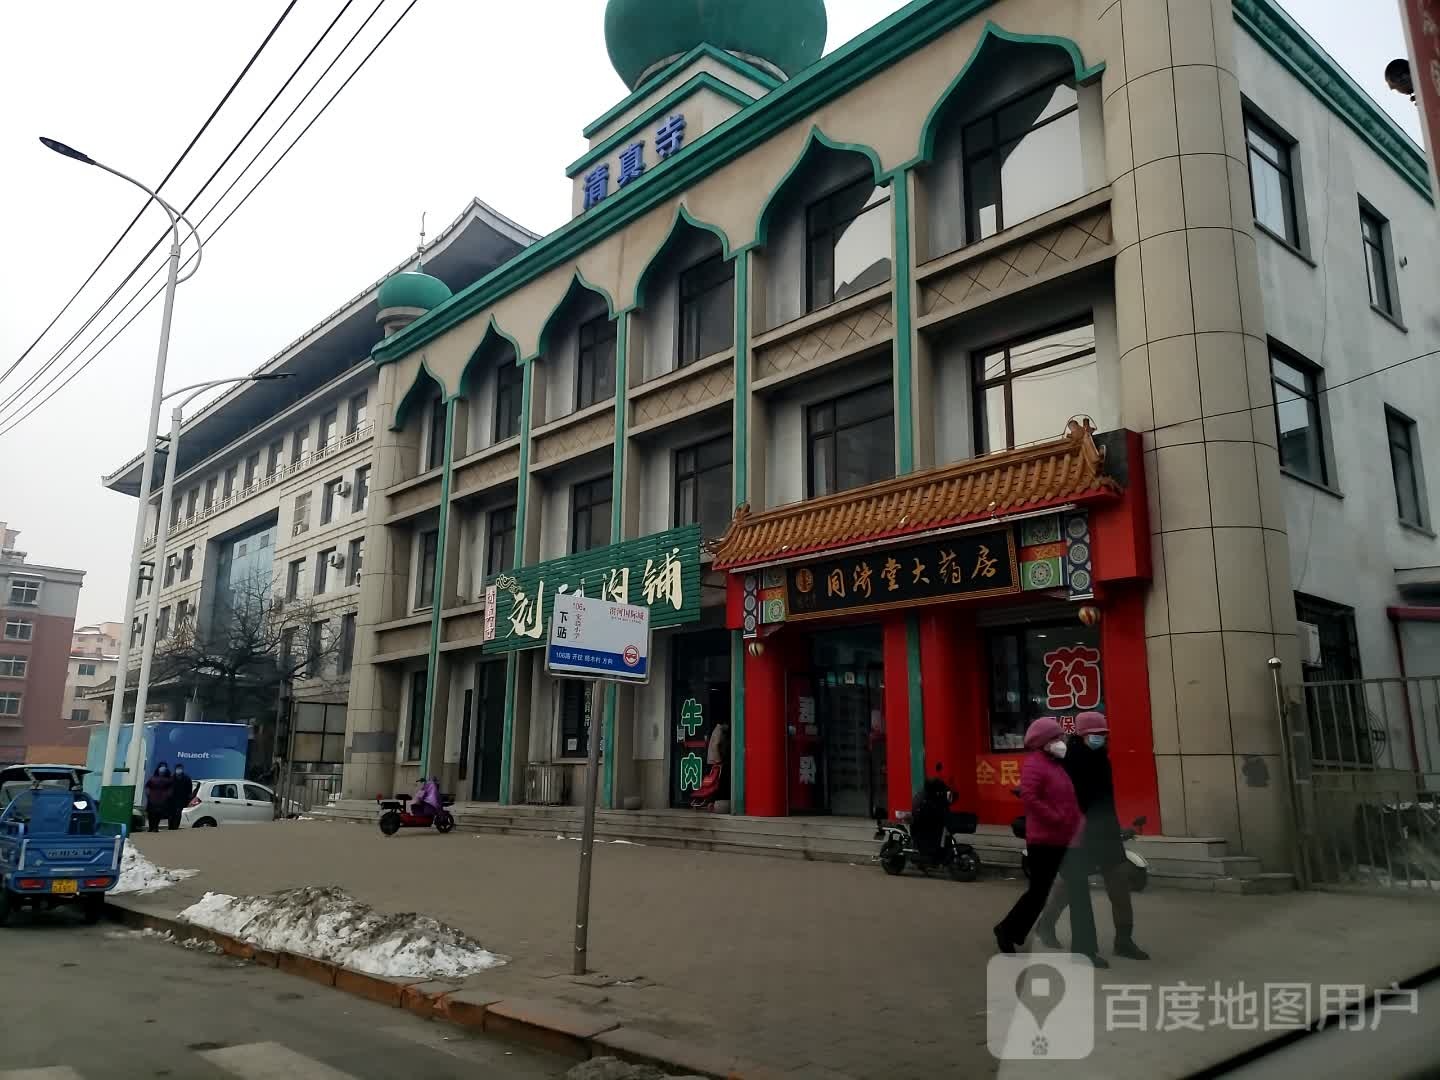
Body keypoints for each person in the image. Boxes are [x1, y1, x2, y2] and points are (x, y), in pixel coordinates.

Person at [1036, 711, 1150, 960]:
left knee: (1119, 882)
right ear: (1081, 735)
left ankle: (1124, 939)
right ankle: (1047, 925)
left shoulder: (1102, 758)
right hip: (1079, 832)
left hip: (1106, 829)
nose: (1100, 738)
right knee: (1069, 887)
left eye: (1103, 734)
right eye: (1095, 734)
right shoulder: (1069, 760)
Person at [994, 717, 1105, 967]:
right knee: (1038, 894)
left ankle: (1085, 950)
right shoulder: (1035, 765)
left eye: (1062, 737)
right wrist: (1055, 818)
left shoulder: (1059, 766)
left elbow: (1070, 801)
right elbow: (1030, 797)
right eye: (1056, 738)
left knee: (1079, 894)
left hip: (1068, 841)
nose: (1062, 742)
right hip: (1044, 842)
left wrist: (1079, 824)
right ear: (1044, 742)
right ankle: (1006, 930)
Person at [143, 763, 173, 834]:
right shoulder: (153, 779)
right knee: (151, 814)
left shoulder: (168, 780)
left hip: (161, 800)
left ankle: (155, 827)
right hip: (152, 799)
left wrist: (167, 795)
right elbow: (147, 786)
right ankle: (151, 827)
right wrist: (148, 794)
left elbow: (170, 789)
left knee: (158, 814)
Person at [167, 763, 193, 831]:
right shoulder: (171, 778)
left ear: (182, 769)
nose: (179, 770)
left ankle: (175, 828)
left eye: (180, 769)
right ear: (175, 769)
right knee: (171, 815)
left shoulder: (187, 778)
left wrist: (187, 800)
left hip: (181, 800)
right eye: (178, 769)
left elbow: (189, 790)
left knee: (178, 815)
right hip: (171, 800)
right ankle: (170, 828)